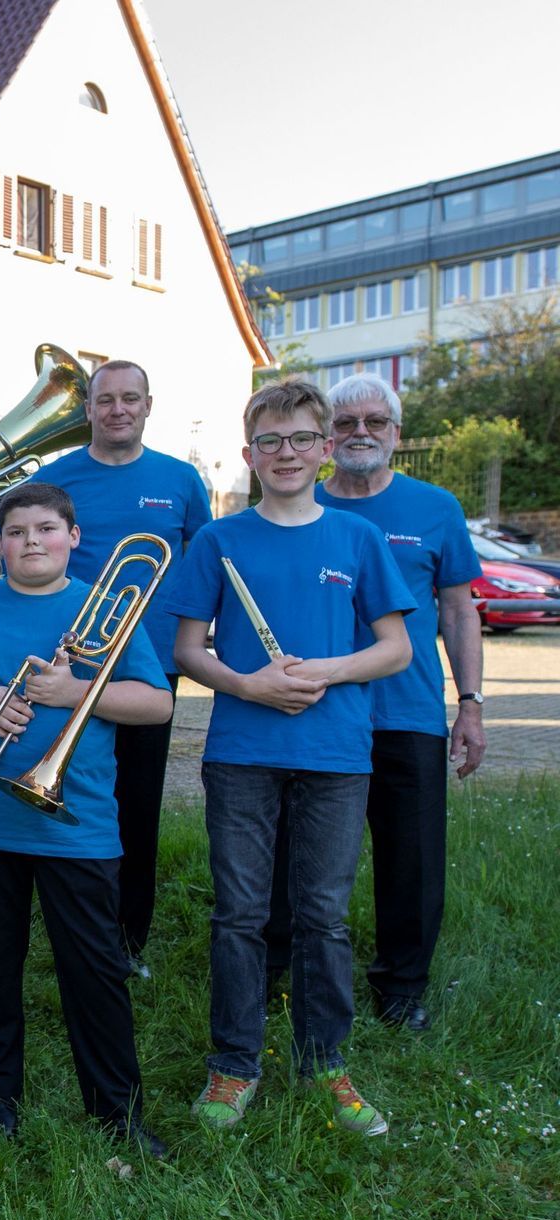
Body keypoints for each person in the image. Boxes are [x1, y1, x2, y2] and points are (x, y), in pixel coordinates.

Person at [171, 380, 412, 1138]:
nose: (286, 453)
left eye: (302, 439)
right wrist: (249, 684)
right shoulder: (219, 541)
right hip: (242, 751)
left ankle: (326, 1064)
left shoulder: (357, 540)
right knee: (239, 914)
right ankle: (234, 1064)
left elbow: (396, 647)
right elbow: (185, 651)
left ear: (326, 448)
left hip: (337, 755)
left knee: (324, 918)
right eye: (270, 442)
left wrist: (322, 671)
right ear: (249, 454)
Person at [0, 481, 173, 1155]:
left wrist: (74, 690)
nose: (32, 542)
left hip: (77, 823)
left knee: (95, 971)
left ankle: (118, 1113)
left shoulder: (107, 604)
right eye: (18, 531)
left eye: (47, 530)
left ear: (73, 538)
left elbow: (156, 704)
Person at [263, 374, 486, 1032]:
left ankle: (402, 986)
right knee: (288, 851)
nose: (361, 432)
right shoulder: (296, 501)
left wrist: (469, 703)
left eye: (376, 423)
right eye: (348, 422)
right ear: (327, 438)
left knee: (410, 859)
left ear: (397, 434)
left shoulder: (436, 507)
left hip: (405, 713)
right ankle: (275, 967)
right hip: (312, 710)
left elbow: (458, 609)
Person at [33, 360, 212, 977]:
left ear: (147, 405)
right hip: (70, 661)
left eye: (129, 399)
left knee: (137, 804)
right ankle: (69, 926)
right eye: (105, 400)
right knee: (72, 796)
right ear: (88, 408)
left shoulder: (182, 479)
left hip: (150, 666)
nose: (117, 410)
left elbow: (202, 567)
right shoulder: (57, 477)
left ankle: (127, 940)